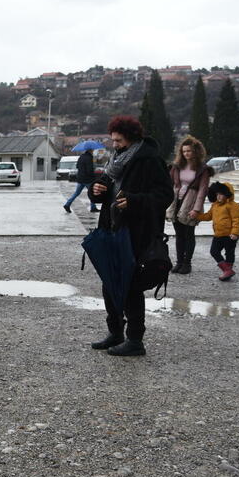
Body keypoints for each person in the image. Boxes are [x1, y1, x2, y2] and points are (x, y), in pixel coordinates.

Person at [87, 116, 173, 357]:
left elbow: (165, 195)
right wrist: (96, 190)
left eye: (119, 140)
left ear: (132, 138)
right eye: (113, 140)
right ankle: (115, 333)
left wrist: (134, 201)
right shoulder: (116, 161)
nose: (115, 144)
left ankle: (135, 340)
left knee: (131, 287)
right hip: (112, 230)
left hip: (136, 233)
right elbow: (103, 187)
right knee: (109, 284)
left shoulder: (149, 159)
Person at [167, 136, 213, 274]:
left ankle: (187, 263)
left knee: (188, 234)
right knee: (179, 234)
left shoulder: (202, 169)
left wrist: (196, 209)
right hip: (176, 201)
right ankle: (179, 262)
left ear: (196, 151)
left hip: (192, 202)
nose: (186, 153)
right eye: (184, 151)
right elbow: (170, 184)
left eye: (189, 151)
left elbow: (203, 190)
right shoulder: (176, 166)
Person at [191, 182, 239, 281]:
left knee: (229, 253)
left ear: (227, 194)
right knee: (214, 251)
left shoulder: (233, 206)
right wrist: (197, 216)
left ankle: (227, 271)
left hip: (230, 235)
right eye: (217, 194)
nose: (218, 196)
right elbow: (208, 216)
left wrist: (235, 233)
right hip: (218, 234)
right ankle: (227, 270)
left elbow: (237, 220)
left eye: (221, 194)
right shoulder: (215, 205)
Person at [63, 148, 98, 213]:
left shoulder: (81, 157)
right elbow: (89, 170)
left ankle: (67, 204)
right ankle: (93, 208)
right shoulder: (89, 158)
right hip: (88, 179)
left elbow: (77, 166)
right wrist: (93, 175)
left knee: (76, 193)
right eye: (92, 150)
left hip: (80, 179)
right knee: (92, 193)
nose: (93, 151)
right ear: (90, 150)